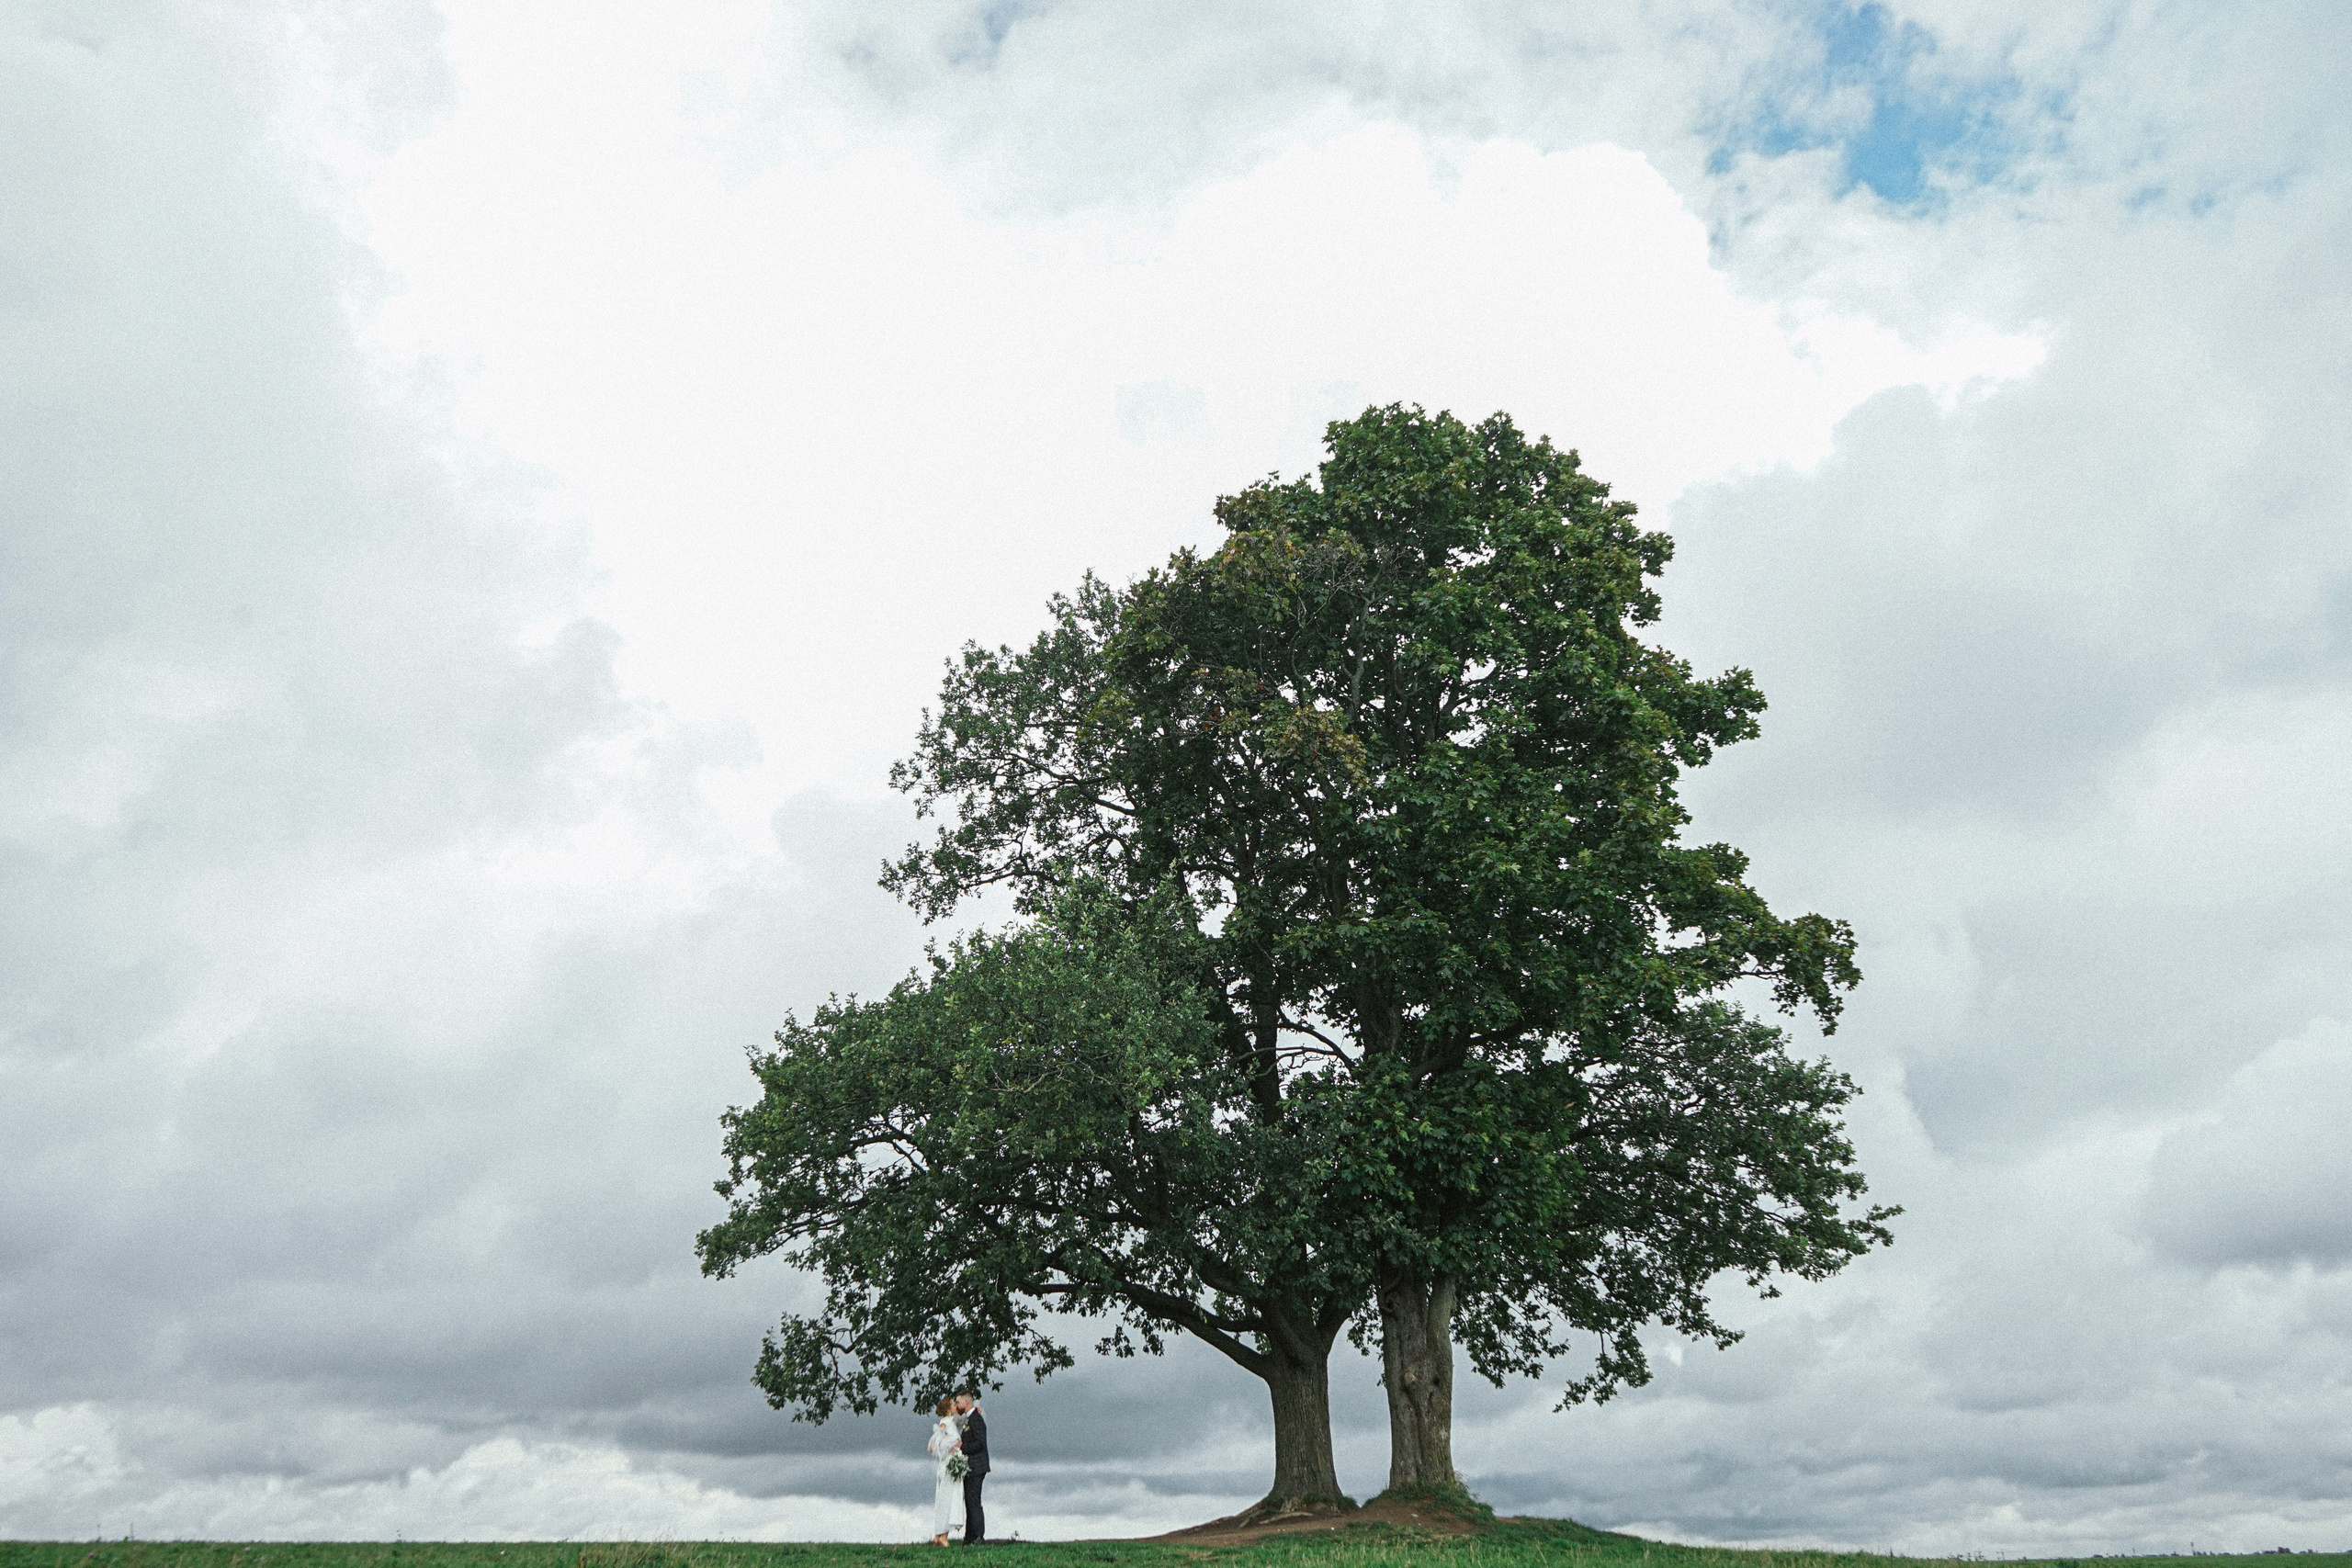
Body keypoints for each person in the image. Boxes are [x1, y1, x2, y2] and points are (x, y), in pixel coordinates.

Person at [926, 1395, 964, 1546]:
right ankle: (942, 1536)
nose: (955, 1405)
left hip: (949, 1463)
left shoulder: (950, 1422)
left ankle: (939, 1534)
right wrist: (955, 1445)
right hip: (948, 1465)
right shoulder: (945, 1423)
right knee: (948, 1499)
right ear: (949, 1408)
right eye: (953, 1404)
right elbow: (934, 1446)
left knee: (946, 1498)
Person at [953, 1389, 989, 1544]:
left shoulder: (976, 1419)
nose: (957, 1404)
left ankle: (978, 1538)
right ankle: (970, 1537)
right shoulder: (969, 1418)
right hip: (972, 1466)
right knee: (970, 1501)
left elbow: (980, 1443)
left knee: (974, 1502)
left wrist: (963, 1447)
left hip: (977, 1466)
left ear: (966, 1402)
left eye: (958, 1402)